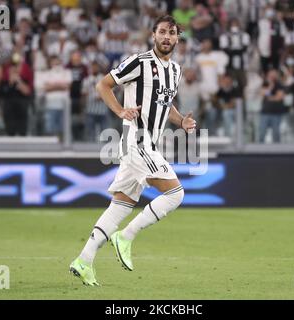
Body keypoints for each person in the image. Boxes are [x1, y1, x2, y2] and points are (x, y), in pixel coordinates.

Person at [69, 15, 196, 286]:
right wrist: (119, 111)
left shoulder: (175, 70)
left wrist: (181, 120)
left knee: (120, 205)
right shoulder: (139, 62)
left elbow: (165, 103)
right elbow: (103, 84)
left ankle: (83, 260)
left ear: (177, 38)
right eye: (162, 31)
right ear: (153, 35)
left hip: (148, 144)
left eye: (171, 33)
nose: (166, 37)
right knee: (175, 194)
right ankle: (125, 237)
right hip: (137, 141)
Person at [259, 69, 286, 143]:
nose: (272, 77)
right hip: (265, 112)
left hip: (276, 113)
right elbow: (263, 93)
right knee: (262, 132)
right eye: (270, 76)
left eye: (273, 76)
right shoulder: (265, 84)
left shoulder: (280, 85)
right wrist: (270, 86)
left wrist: (270, 97)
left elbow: (279, 97)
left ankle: (277, 150)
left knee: (276, 133)